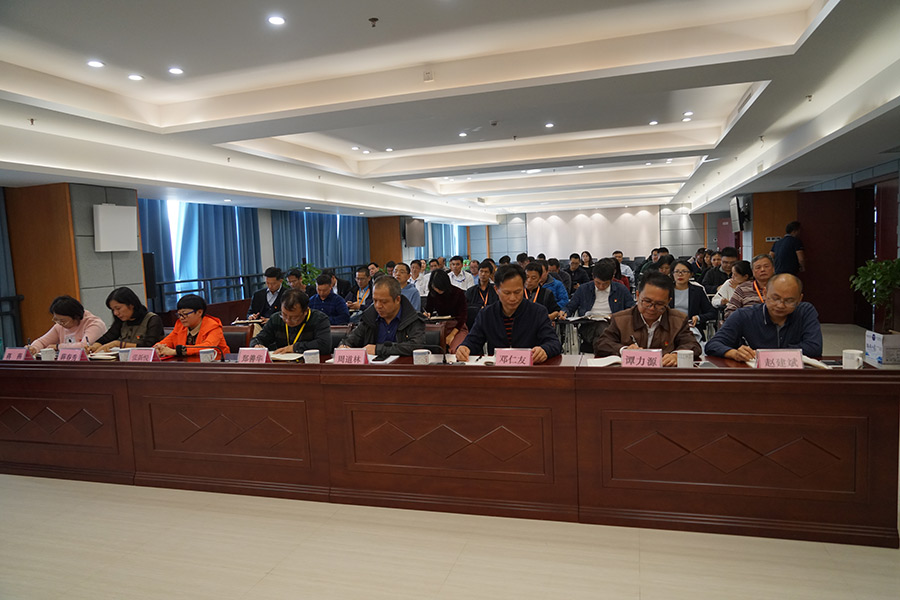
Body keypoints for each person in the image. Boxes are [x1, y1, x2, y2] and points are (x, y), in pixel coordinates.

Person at [456, 264, 562, 364]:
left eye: (517, 292)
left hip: (530, 368)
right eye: (507, 293)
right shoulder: (486, 314)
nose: (512, 298)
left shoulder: (538, 312)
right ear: (496, 290)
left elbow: (554, 342)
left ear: (523, 288)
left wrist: (544, 350)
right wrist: (464, 347)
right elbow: (473, 340)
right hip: (498, 370)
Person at [706, 273, 822, 361]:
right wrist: (734, 353)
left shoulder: (805, 311)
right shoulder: (744, 315)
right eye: (775, 298)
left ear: (799, 299)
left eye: (789, 301)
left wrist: (764, 354)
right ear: (765, 293)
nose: (780, 305)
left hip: (794, 374)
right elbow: (713, 345)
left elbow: (814, 348)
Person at [594, 271, 701, 365]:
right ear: (637, 295)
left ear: (668, 301)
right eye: (647, 301)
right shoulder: (620, 319)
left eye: (659, 304)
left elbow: (693, 345)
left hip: (664, 376)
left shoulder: (678, 320)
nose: (652, 308)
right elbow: (602, 343)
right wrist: (624, 350)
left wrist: (676, 355)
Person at [340, 276, 426, 356]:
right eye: (375, 300)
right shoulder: (369, 318)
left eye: (384, 302)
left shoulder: (412, 319)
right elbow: (350, 340)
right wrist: (343, 347)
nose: (378, 306)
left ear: (397, 300)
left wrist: (378, 349)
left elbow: (416, 346)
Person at [567, 260, 635, 351]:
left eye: (605, 284)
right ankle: (614, 350)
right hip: (589, 326)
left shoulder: (621, 289)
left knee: (601, 335)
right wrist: (564, 312)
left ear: (612, 278)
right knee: (602, 327)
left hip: (614, 325)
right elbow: (570, 306)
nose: (601, 286)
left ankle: (601, 352)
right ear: (593, 277)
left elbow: (632, 309)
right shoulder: (583, 289)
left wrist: (616, 316)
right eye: (598, 283)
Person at [252, 289, 332, 355]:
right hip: (282, 364)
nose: (288, 320)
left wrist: (294, 348)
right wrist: (257, 345)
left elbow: (324, 346)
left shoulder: (319, 319)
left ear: (305, 311)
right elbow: (258, 339)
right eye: (284, 315)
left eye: (294, 317)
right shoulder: (276, 318)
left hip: (309, 365)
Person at [89, 287, 164, 352]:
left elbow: (149, 346)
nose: (115, 313)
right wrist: (94, 347)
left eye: (118, 308)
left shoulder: (152, 319)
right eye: (113, 310)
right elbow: (108, 337)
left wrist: (118, 344)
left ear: (131, 305)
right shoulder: (121, 321)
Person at [155, 294, 229, 359]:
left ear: (199, 312)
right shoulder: (180, 325)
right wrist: (158, 347)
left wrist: (176, 352)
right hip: (187, 363)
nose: (181, 318)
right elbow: (168, 341)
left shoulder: (213, 326)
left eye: (185, 314)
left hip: (215, 364)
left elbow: (207, 346)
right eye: (179, 315)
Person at [27, 295, 106, 355]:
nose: (60, 323)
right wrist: (33, 348)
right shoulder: (59, 326)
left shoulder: (94, 324)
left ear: (76, 317)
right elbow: (42, 342)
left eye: (63, 321)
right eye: (56, 320)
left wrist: (57, 347)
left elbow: (84, 346)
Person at [424, 269, 469, 351]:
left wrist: (452, 335)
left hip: (457, 327)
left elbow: (463, 317)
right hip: (440, 326)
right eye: (435, 288)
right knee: (432, 349)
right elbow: (428, 309)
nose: (438, 290)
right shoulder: (432, 293)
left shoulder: (458, 293)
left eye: (440, 288)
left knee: (455, 349)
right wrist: (426, 314)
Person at [671, 260, 717, 335]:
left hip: (691, 328)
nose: (680, 274)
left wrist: (698, 318)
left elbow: (712, 313)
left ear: (691, 274)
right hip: (670, 328)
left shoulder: (698, 291)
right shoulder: (666, 291)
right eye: (677, 271)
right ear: (672, 274)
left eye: (684, 271)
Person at [725, 254, 775, 319]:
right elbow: (729, 312)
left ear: (773, 268)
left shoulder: (782, 287)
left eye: (766, 266)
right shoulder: (742, 288)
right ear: (753, 271)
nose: (762, 269)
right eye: (758, 267)